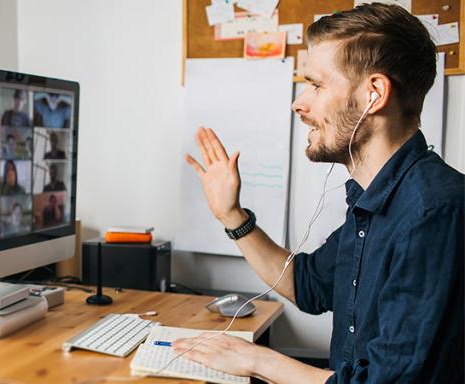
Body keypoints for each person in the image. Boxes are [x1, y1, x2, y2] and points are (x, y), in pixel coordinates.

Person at [177, 4, 463, 383]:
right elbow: (307, 285)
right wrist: (231, 215)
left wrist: (258, 360)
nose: (299, 103)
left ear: (374, 94)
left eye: (315, 85)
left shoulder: (434, 211)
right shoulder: (374, 199)